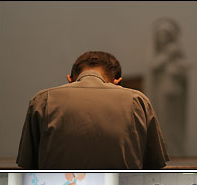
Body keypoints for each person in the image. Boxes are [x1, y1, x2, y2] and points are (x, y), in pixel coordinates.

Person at [16, 51, 168, 170]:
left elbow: (27, 165)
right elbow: (154, 164)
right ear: (117, 81)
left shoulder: (42, 100)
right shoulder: (137, 101)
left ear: (70, 79)